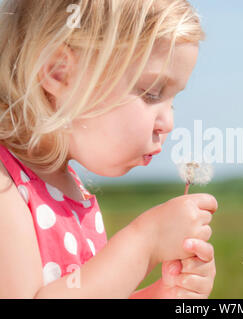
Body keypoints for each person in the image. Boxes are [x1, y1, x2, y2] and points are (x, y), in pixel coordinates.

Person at [0, 0, 217, 298]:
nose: (168, 123)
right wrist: (145, 241)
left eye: (172, 100)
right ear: (60, 73)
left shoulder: (69, 187)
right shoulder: (5, 188)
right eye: (151, 93)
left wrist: (163, 294)